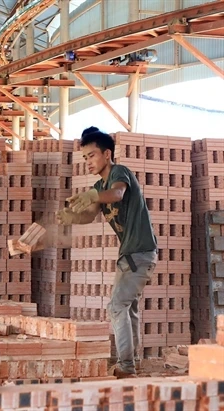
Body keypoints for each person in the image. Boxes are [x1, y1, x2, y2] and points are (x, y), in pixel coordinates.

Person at [57, 126, 157, 378]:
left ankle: (126, 366)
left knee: (116, 307)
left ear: (107, 154)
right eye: (84, 158)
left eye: (91, 156)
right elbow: (89, 216)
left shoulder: (118, 173)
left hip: (139, 252)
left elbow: (118, 194)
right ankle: (131, 362)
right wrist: (71, 217)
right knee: (128, 307)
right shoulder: (100, 184)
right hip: (130, 255)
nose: (87, 162)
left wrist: (93, 194)